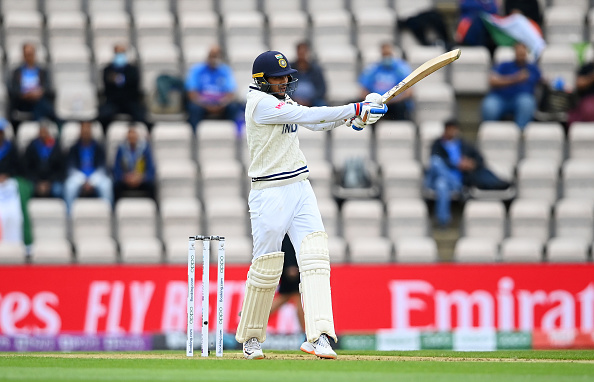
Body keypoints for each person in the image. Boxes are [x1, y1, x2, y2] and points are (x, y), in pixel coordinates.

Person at [235, 50, 387, 360]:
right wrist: (357, 106)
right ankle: (251, 338)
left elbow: (316, 124)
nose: (284, 81)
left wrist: (353, 118)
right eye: (277, 78)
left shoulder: (280, 100)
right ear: (261, 80)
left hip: (300, 187)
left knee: (316, 259)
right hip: (270, 192)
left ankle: (320, 337)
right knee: (267, 266)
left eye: (285, 76)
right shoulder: (261, 105)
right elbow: (308, 116)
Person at [424, 120, 510, 228]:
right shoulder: (437, 144)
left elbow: (479, 160)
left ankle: (443, 221)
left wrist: (470, 164)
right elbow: (435, 161)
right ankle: (458, 189)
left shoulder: (464, 145)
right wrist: (456, 164)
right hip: (440, 175)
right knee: (435, 162)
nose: (452, 131)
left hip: (457, 178)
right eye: (449, 129)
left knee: (441, 185)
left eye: (453, 129)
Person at [481, 43, 541, 129]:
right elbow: (492, 80)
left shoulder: (532, 68)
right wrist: (516, 78)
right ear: (515, 52)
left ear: (526, 53)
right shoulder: (505, 65)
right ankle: (491, 133)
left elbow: (541, 81)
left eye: (523, 53)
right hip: (499, 98)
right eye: (519, 52)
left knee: (527, 103)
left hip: (522, 98)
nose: (521, 54)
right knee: (489, 106)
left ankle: (520, 132)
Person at [97, 44, 153, 134]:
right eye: (118, 53)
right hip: (113, 102)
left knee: (143, 118)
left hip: (130, 101)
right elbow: (107, 84)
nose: (120, 56)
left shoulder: (132, 69)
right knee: (102, 117)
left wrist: (118, 79)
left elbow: (134, 83)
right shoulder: (107, 69)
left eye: (122, 53)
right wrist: (123, 80)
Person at [185, 45, 242, 132]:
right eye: (212, 56)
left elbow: (231, 93)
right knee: (193, 108)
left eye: (216, 56)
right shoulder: (197, 70)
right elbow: (192, 94)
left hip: (220, 105)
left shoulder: (225, 70)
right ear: (208, 56)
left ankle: (233, 135)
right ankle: (195, 136)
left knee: (234, 107)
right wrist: (206, 105)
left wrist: (222, 104)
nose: (214, 59)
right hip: (202, 104)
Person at [9, 43, 63, 131]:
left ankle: (41, 128)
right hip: (23, 102)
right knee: (45, 108)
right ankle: (49, 127)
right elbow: (13, 90)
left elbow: (49, 89)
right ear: (23, 55)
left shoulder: (42, 72)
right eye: (27, 54)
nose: (29, 57)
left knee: (40, 104)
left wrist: (40, 92)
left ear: (34, 54)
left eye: (31, 54)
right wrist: (24, 94)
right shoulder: (17, 72)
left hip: (38, 99)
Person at [64, 121, 113, 212]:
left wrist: (92, 180)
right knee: (69, 186)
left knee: (107, 185)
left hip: (96, 177)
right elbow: (70, 168)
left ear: (91, 131)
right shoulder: (73, 148)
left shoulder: (99, 148)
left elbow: (102, 167)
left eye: (88, 130)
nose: (86, 132)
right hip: (78, 177)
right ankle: (69, 214)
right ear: (80, 132)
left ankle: (108, 213)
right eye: (84, 130)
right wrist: (83, 180)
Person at [358, 43, 413, 121]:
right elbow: (363, 91)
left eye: (389, 54)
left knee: (401, 106)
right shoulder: (373, 69)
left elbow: (409, 92)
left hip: (395, 104)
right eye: (384, 55)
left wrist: (390, 101)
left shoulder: (402, 69)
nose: (387, 57)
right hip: (376, 105)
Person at [269, 235, 305, 332]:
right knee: (299, 300)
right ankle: (305, 333)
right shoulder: (288, 227)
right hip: (292, 270)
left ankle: (255, 321)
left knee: (287, 298)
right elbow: (286, 245)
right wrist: (290, 265)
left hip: (293, 268)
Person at [112, 125, 156, 202]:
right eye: (130, 133)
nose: (132, 136)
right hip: (125, 180)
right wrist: (125, 178)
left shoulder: (145, 149)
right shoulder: (121, 149)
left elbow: (150, 169)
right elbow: (116, 169)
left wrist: (141, 177)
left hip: (141, 180)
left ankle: (153, 207)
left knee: (152, 185)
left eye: (134, 133)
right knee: (115, 185)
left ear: (137, 135)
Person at [23, 122, 65, 198]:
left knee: (58, 190)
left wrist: (49, 182)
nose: (43, 134)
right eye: (41, 131)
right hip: (35, 181)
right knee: (26, 189)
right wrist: (38, 182)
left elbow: (61, 168)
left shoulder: (56, 147)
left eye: (45, 131)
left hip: (52, 181)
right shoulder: (32, 146)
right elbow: (27, 167)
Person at [0, 119, 24, 243]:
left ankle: (14, 241)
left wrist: (7, 175)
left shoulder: (11, 148)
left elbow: (18, 167)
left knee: (13, 213)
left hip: (8, 183)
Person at [290, 42, 327, 107]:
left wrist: (309, 100)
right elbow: (285, 87)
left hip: (313, 101)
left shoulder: (316, 69)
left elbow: (322, 89)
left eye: (304, 52)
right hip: (292, 100)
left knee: (322, 105)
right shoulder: (290, 69)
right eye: (300, 52)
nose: (302, 55)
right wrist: (294, 99)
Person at [567, 57, 594, 125]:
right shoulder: (587, 67)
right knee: (589, 109)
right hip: (588, 99)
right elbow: (579, 83)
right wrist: (591, 77)